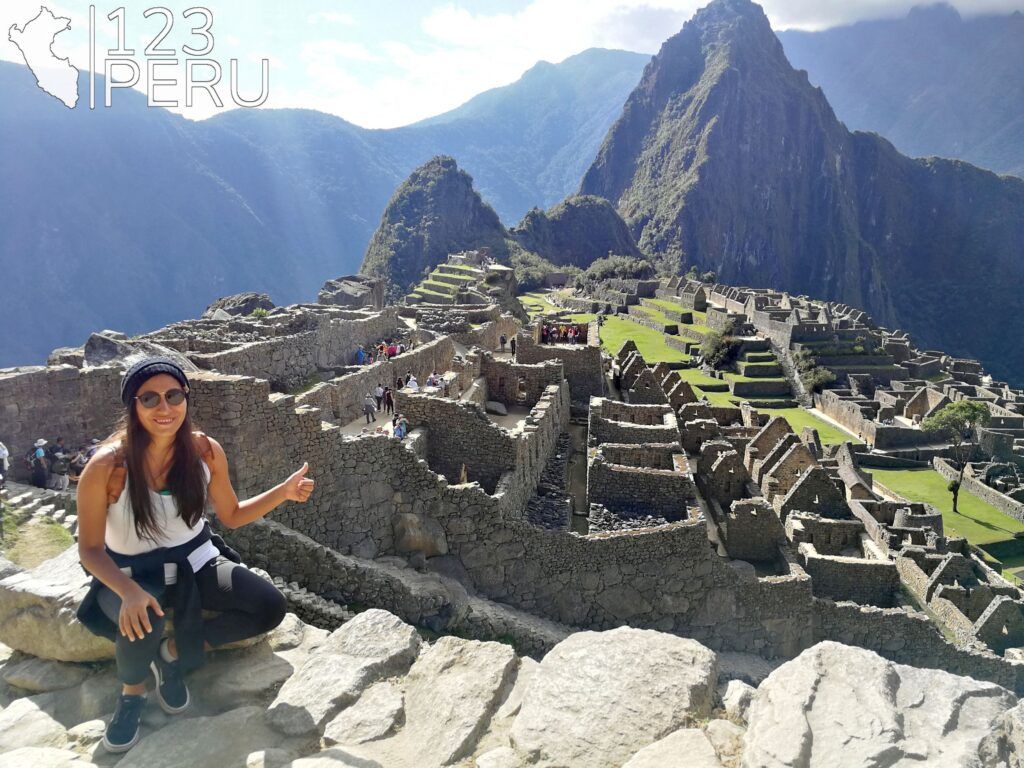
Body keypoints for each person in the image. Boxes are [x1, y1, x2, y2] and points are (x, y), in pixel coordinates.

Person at [75, 356, 311, 753]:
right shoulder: (107, 467)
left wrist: (283, 493)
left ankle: (173, 655)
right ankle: (132, 693)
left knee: (269, 606)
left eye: (173, 396)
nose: (164, 408)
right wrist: (127, 591)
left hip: (197, 560)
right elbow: (91, 550)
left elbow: (231, 515)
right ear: (133, 406)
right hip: (133, 570)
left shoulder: (205, 452)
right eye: (149, 399)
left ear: (186, 398)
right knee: (141, 619)